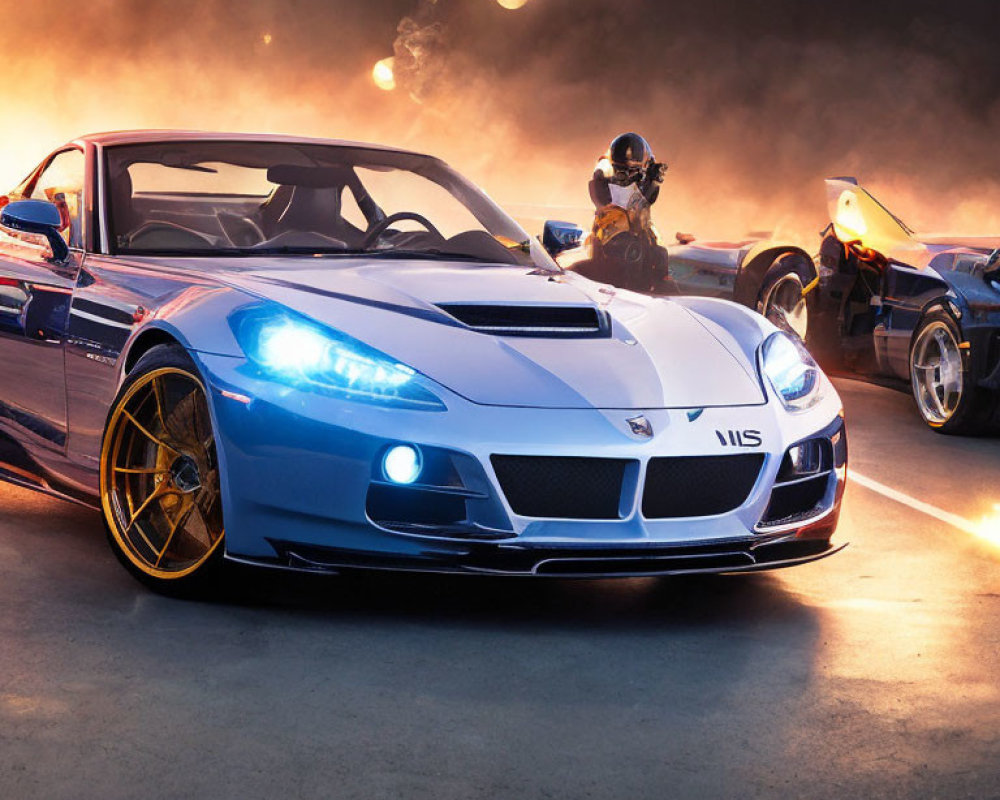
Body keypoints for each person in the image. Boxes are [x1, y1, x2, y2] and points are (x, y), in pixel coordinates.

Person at [581, 132, 670, 293]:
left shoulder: (644, 186)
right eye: (622, 171)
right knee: (632, 251)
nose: (626, 177)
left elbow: (642, 204)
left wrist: (654, 182)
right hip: (611, 246)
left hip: (637, 236)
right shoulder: (604, 180)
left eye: (632, 172)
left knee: (659, 254)